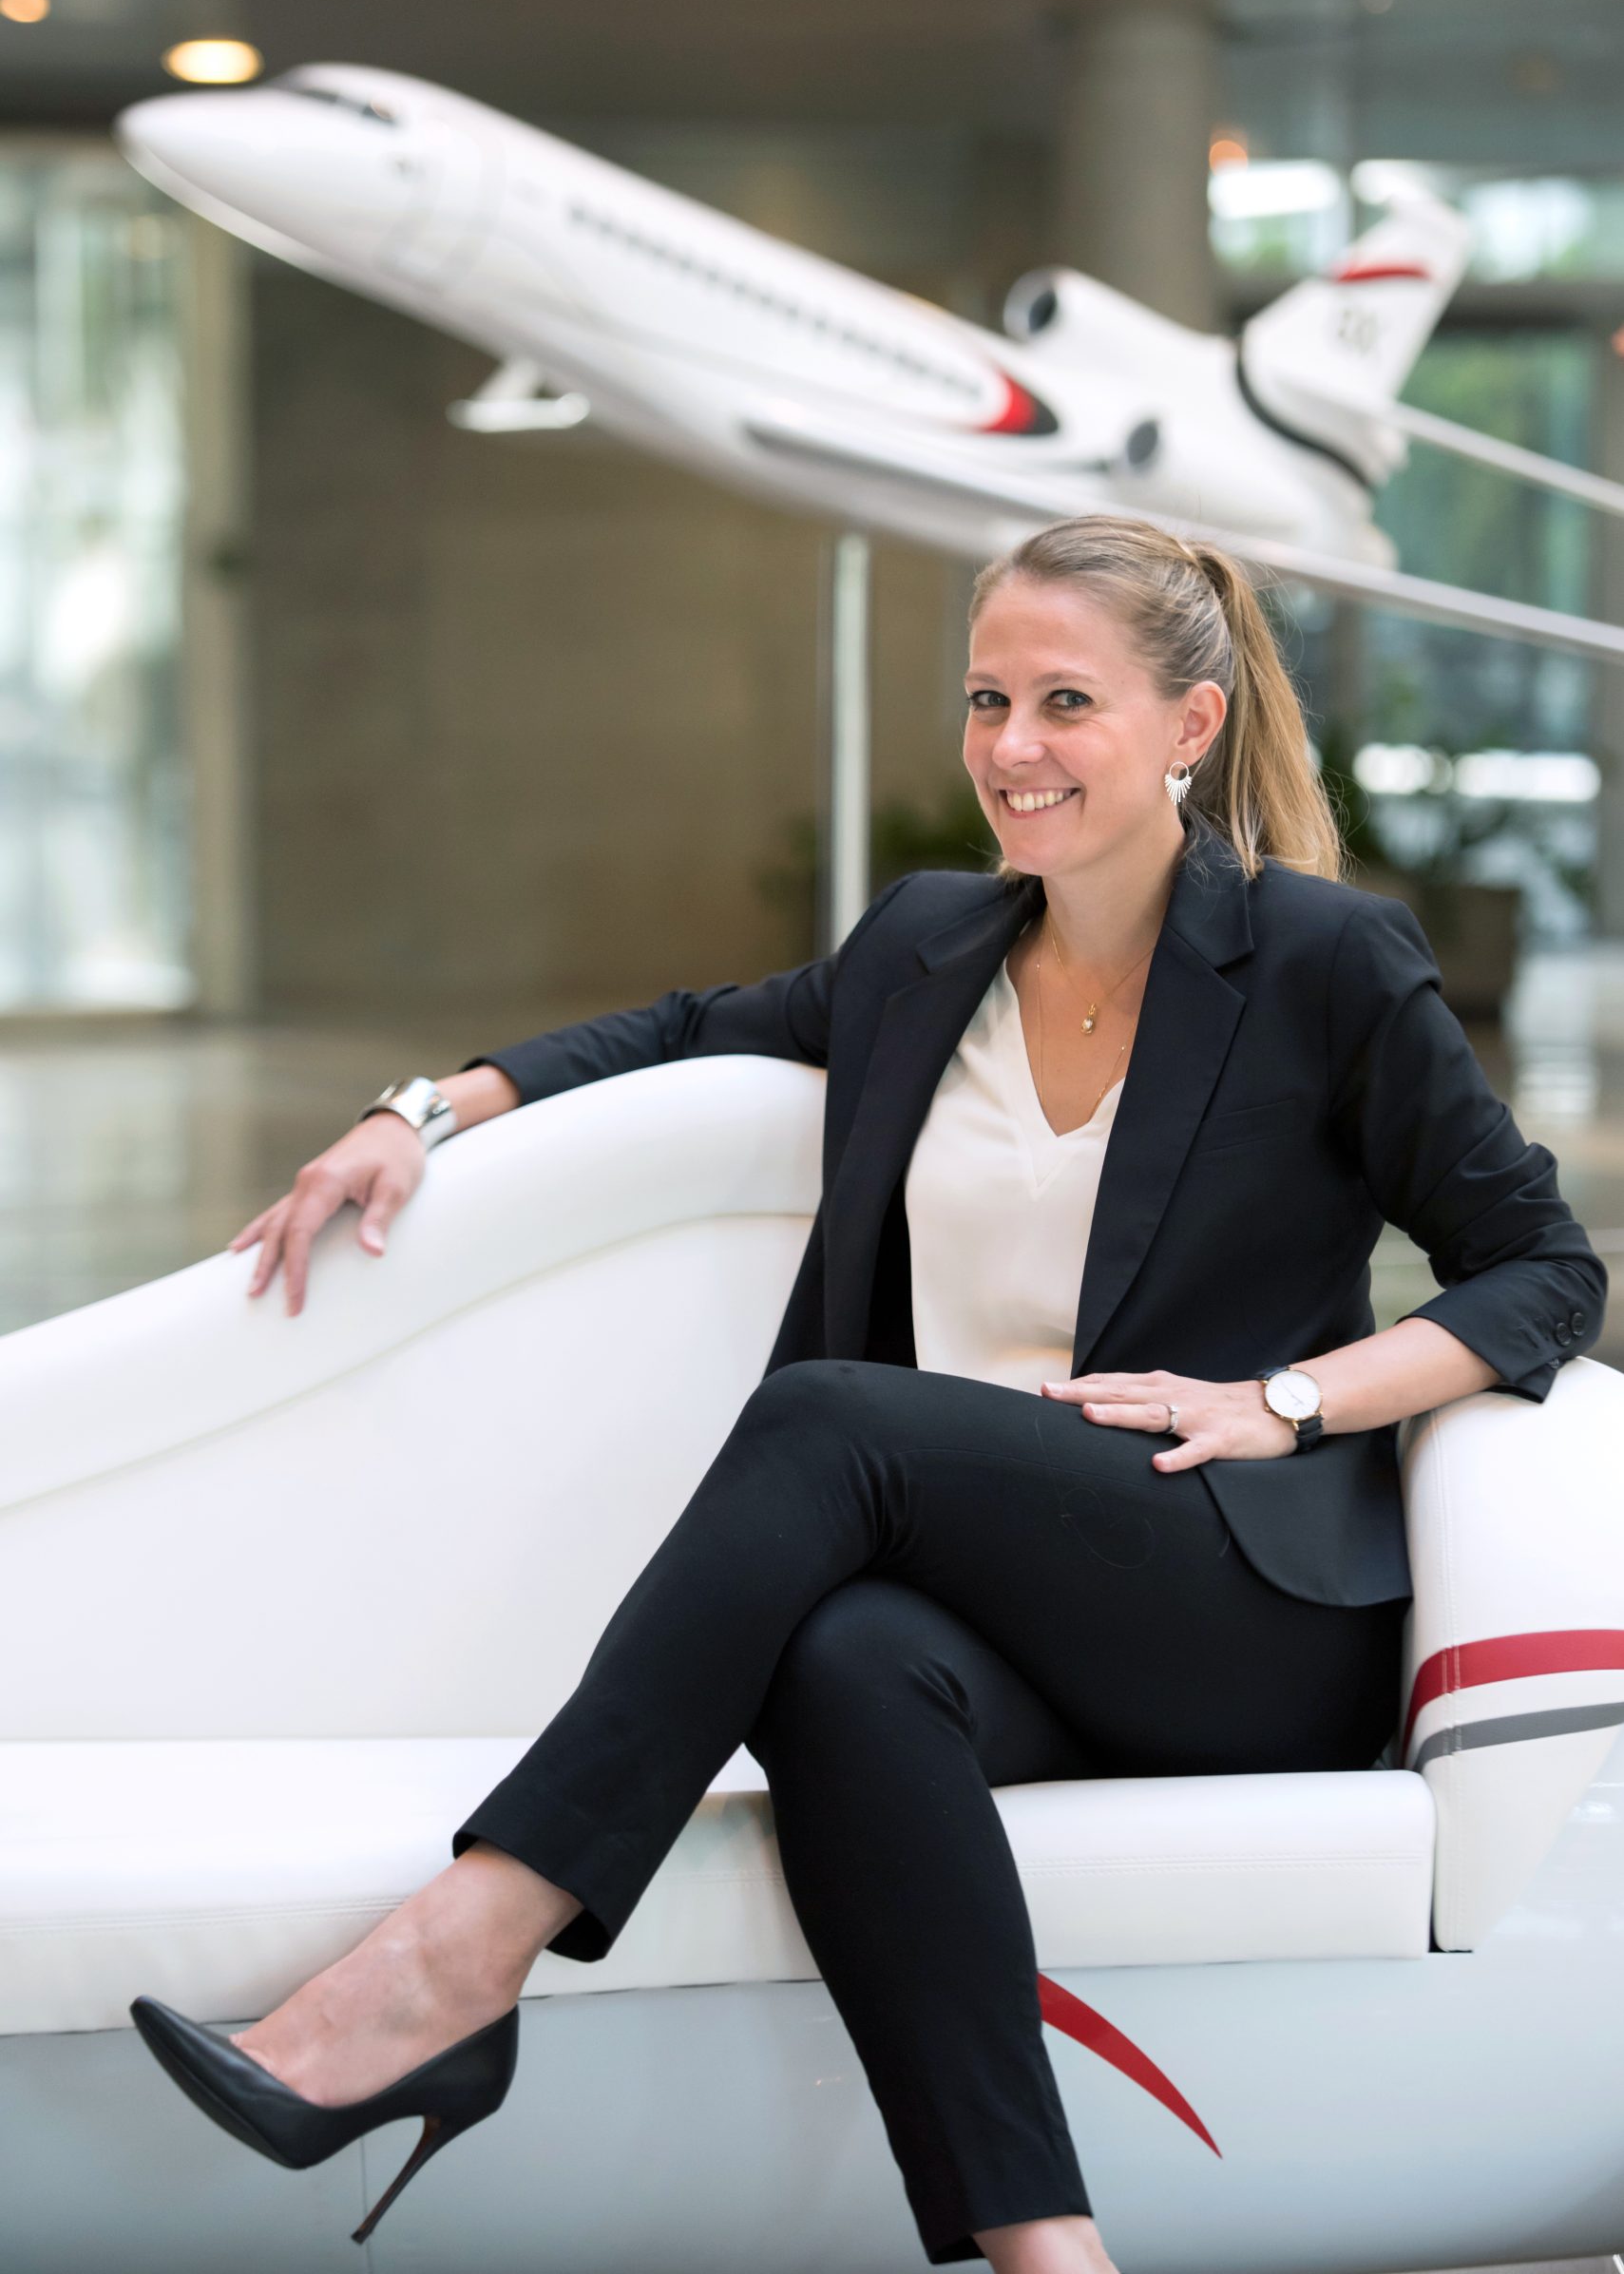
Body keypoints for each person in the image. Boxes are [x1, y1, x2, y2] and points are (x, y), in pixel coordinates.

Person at [129, 514, 1605, 2272]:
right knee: (838, 1665)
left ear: (1190, 725)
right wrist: (425, 1112)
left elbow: (1541, 1268)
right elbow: (684, 1028)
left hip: (1230, 1591)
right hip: (1001, 1597)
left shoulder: (1320, 961)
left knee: (829, 1417)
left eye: (1065, 701)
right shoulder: (926, 946)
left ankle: (457, 1956)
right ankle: (1047, 2251)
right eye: (986, 699)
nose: (1011, 747)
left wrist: (1284, 1400)